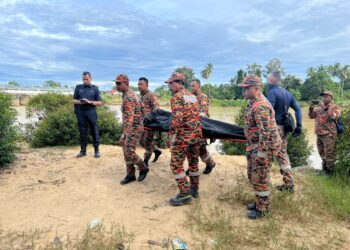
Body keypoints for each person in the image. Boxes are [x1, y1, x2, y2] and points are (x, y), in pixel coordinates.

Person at [241, 75, 282, 219]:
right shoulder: (253, 102)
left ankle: (263, 209)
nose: (244, 91)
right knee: (253, 175)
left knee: (260, 177)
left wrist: (262, 154)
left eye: (247, 88)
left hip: (264, 147)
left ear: (256, 89)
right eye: (243, 88)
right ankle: (259, 202)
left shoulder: (261, 106)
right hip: (254, 145)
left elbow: (265, 133)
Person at [165, 72, 202, 206]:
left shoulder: (177, 97)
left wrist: (170, 136)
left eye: (171, 83)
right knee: (193, 163)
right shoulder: (192, 96)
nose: (169, 86)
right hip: (196, 135)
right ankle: (194, 189)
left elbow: (177, 119)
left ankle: (184, 194)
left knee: (175, 164)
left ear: (179, 83)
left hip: (184, 137)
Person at [267, 71, 302, 192]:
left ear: (273, 80)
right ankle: (289, 184)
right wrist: (299, 126)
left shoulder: (272, 92)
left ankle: (263, 182)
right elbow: (298, 109)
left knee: (267, 153)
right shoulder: (288, 93)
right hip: (284, 128)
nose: (267, 81)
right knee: (283, 155)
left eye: (268, 79)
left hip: (274, 128)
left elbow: (268, 112)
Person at [115, 74, 149, 185]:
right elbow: (143, 108)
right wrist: (141, 119)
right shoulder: (128, 94)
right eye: (116, 83)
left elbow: (129, 118)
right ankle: (130, 175)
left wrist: (124, 135)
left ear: (126, 84)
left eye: (119, 83)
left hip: (133, 128)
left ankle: (143, 167)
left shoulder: (129, 96)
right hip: (132, 127)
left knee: (129, 151)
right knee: (126, 151)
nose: (117, 85)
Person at [309, 91, 341, 175]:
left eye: (326, 96)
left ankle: (330, 173)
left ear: (331, 97)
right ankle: (324, 170)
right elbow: (311, 116)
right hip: (319, 134)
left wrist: (324, 107)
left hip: (329, 134)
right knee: (322, 153)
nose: (324, 98)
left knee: (329, 155)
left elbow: (334, 116)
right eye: (323, 96)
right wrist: (311, 108)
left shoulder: (335, 107)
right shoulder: (318, 108)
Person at [73, 71, 102, 158]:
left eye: (86, 79)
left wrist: (90, 102)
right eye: (83, 79)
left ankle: (96, 151)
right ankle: (83, 151)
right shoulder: (78, 87)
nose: (85, 81)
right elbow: (74, 100)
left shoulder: (95, 88)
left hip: (91, 112)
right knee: (82, 132)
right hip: (80, 112)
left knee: (94, 131)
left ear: (90, 78)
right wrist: (80, 102)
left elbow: (100, 102)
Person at [190, 79, 216, 174]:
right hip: (192, 127)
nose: (191, 88)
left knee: (201, 149)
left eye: (193, 86)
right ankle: (193, 167)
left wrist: (194, 115)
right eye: (190, 86)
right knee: (194, 148)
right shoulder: (191, 97)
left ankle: (210, 164)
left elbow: (203, 112)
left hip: (201, 126)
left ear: (199, 86)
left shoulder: (203, 97)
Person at [138, 77, 162, 166]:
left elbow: (157, 109)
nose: (139, 86)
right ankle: (156, 151)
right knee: (141, 142)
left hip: (150, 124)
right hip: (142, 124)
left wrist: (151, 119)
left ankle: (145, 162)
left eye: (141, 84)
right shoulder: (140, 96)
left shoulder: (151, 95)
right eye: (138, 84)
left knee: (147, 143)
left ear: (146, 85)